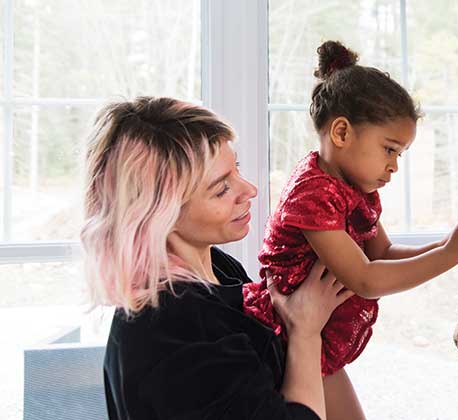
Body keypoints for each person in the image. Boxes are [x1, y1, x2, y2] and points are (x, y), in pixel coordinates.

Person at [243, 41, 458, 420]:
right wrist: (447, 256)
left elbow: (382, 254)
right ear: (342, 133)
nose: (394, 166)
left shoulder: (353, 189)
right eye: (389, 149)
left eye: (399, 154)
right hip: (283, 342)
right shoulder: (312, 194)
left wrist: (447, 245)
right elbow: (365, 279)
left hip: (314, 339)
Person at [81, 96, 348, 419]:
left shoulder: (220, 268)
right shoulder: (171, 332)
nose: (249, 190)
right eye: (221, 189)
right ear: (159, 214)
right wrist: (305, 333)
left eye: (237, 169)